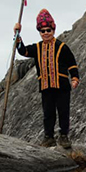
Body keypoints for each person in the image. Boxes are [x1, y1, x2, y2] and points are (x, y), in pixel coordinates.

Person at [14, 9, 79, 149]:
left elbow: (72, 63)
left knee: (63, 112)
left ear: (53, 29)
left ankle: (64, 137)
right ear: (39, 32)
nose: (45, 33)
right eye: (42, 30)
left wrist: (74, 78)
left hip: (62, 86)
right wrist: (17, 36)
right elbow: (23, 51)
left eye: (48, 29)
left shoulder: (62, 47)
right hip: (45, 86)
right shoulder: (37, 48)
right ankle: (48, 137)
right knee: (48, 113)